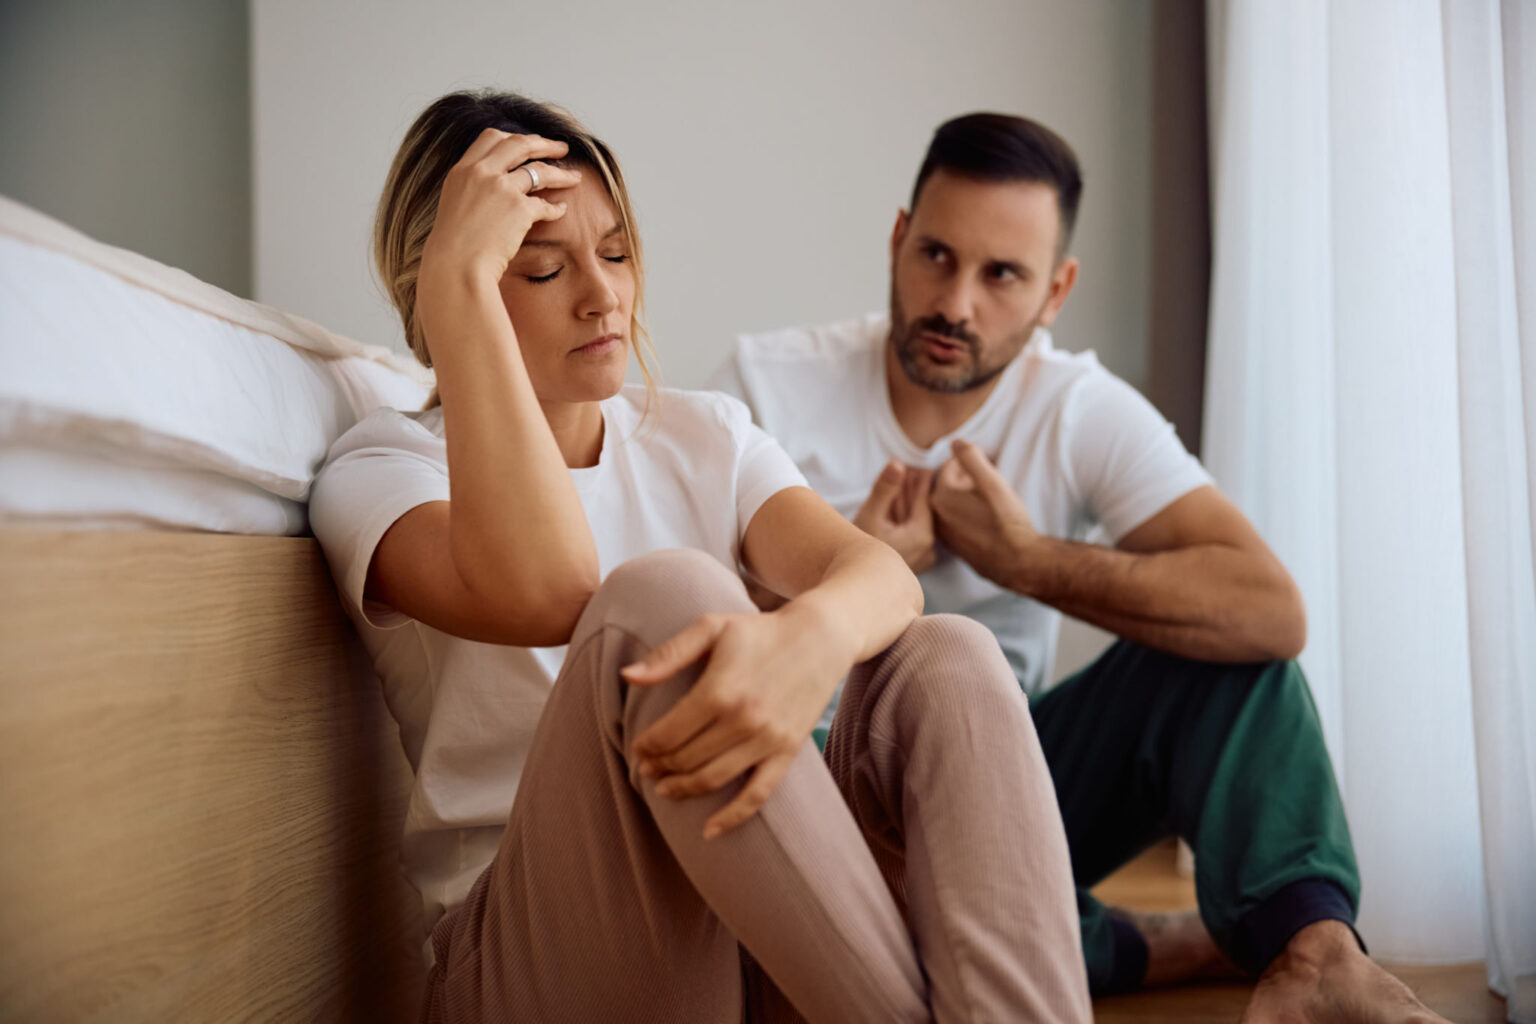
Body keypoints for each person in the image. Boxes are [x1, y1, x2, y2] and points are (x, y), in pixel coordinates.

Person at [308, 91, 1094, 1024]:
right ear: (451, 288)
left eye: (614, 252)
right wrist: (457, 289)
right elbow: (556, 589)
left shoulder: (701, 432)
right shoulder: (383, 471)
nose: (601, 295)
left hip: (751, 935)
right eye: (540, 268)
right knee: (666, 598)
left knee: (949, 658)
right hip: (532, 962)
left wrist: (807, 642)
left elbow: (884, 579)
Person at [709, 112, 1453, 1024]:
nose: (957, 305)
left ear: (1056, 291)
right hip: (815, 794)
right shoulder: (765, 387)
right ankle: (1144, 944)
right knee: (797, 897)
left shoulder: (1078, 410)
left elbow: (1271, 610)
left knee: (1229, 666)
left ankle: (1317, 956)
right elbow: (685, 644)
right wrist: (845, 574)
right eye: (937, 256)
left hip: (1007, 790)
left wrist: (1026, 561)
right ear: (899, 239)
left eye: (1003, 275)